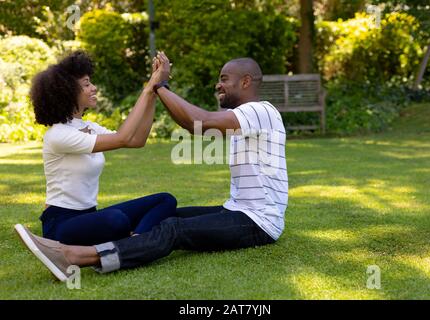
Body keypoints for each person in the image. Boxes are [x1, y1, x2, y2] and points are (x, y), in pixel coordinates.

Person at [15, 52, 288, 281]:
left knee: (172, 229)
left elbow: (199, 122)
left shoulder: (260, 110)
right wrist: (153, 86)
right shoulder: (61, 133)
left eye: (224, 79)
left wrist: (159, 86)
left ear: (246, 81)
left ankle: (81, 256)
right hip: (238, 210)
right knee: (169, 215)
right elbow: (128, 137)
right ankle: (135, 245)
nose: (218, 85)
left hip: (258, 222)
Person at [25, 50, 177, 246]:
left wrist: (154, 91)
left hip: (89, 216)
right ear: (68, 91)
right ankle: (133, 241)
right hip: (61, 224)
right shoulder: (58, 135)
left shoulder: (89, 127)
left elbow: (137, 140)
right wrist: (147, 89)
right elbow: (123, 138)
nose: (94, 88)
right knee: (116, 220)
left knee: (165, 201)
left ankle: (136, 243)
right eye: (87, 84)